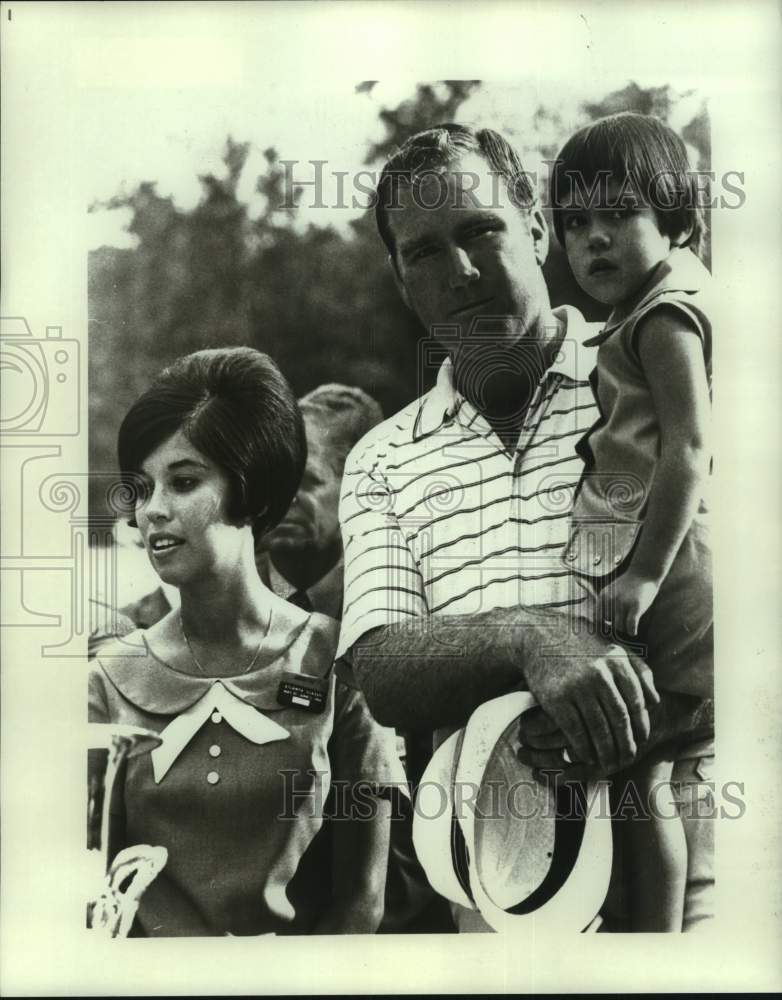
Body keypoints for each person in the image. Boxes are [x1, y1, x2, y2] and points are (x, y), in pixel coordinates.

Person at [336, 123, 714, 932]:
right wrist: (528, 640)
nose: (462, 271)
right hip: (497, 888)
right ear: (401, 279)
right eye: (425, 252)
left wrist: (629, 713)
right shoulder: (381, 459)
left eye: (482, 230)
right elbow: (380, 667)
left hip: (694, 875)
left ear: (539, 231)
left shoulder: (657, 372)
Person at [89, 347, 404, 936]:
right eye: (142, 487)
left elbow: (362, 900)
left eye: (183, 482)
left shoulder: (341, 664)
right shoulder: (106, 679)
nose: (152, 511)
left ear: (253, 492)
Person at [550, 112, 713, 931]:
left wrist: (643, 573)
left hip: (673, 579)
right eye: (576, 222)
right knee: (637, 771)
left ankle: (659, 944)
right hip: (649, 570)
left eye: (619, 215)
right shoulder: (642, 313)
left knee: (644, 771)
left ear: (675, 217)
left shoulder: (665, 317)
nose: (595, 241)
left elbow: (687, 449)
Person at [256, 384, 383, 617]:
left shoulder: (386, 596)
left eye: (308, 480)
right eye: (274, 479)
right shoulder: (223, 597)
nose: (285, 497)